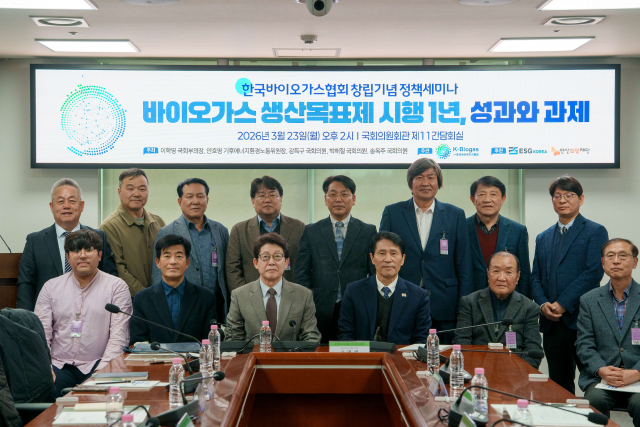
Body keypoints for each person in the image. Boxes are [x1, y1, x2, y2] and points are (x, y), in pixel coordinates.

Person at [379, 158, 472, 343]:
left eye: (431, 177)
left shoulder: (455, 215)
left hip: (444, 302)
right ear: (411, 182)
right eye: (419, 177)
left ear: (438, 182)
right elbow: (382, 256)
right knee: (402, 353)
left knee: (443, 354)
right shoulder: (393, 212)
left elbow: (464, 263)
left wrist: (463, 308)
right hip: (402, 298)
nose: (425, 182)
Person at [531, 175, 608, 394]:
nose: (562, 200)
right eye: (557, 196)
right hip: (552, 322)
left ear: (581, 199)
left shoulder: (595, 231)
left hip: (583, 319)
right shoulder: (543, 237)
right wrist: (543, 304)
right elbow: (535, 276)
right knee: (559, 384)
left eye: (569, 195)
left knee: (594, 383)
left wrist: (563, 303)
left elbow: (593, 272)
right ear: (552, 200)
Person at [34, 229, 131, 399]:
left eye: (89, 249)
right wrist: (46, 367)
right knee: (46, 396)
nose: (83, 255)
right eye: (76, 250)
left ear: (100, 255)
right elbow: (41, 333)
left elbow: (119, 336)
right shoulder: (51, 287)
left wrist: (102, 371)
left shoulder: (117, 287)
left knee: (99, 401)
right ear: (67, 256)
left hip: (98, 363)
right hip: (58, 365)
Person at [296, 175, 377, 341]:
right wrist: (307, 303)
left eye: (344, 194)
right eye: (332, 194)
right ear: (325, 199)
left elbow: (374, 272)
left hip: (357, 305)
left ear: (353, 199)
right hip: (320, 307)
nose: (338, 199)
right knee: (321, 353)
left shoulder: (368, 231)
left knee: (355, 352)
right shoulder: (311, 231)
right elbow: (302, 273)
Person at [17, 178, 118, 311]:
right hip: (48, 314)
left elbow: (111, 278)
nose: (66, 206)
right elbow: (26, 284)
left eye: (72, 201)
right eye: (60, 201)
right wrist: (27, 320)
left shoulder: (99, 237)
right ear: (51, 207)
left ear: (81, 206)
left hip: (93, 313)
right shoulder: (35, 241)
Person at [577, 238, 640, 424]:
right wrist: (602, 370)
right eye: (610, 256)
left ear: (635, 262)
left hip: (638, 377)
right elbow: (584, 344)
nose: (616, 261)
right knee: (593, 401)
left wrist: (637, 372)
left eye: (623, 256)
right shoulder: (589, 300)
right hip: (603, 379)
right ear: (603, 263)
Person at [153, 178, 229, 320]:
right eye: (189, 197)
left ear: (207, 200)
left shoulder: (220, 230)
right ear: (179, 201)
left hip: (216, 303)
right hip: (181, 302)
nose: (195, 201)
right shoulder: (167, 231)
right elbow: (158, 274)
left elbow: (226, 270)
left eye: (200, 196)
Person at [225, 233, 321, 344]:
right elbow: (233, 340)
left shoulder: (303, 295)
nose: (271, 262)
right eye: (265, 257)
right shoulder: (239, 296)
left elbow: (311, 337)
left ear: (286, 262)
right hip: (253, 355)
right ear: (256, 263)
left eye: (277, 256)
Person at [338, 232, 431, 345]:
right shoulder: (353, 291)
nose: (388, 259)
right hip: (364, 355)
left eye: (393, 253)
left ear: (402, 259)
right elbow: (345, 335)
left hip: (401, 355)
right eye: (382, 253)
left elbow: (422, 340)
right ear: (372, 258)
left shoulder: (418, 296)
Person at [453, 252, 542, 368]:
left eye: (508, 272)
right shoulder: (470, 302)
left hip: (514, 372)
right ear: (488, 274)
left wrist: (518, 374)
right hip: (477, 370)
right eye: (496, 271)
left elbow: (533, 349)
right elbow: (462, 342)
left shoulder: (529, 308)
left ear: (517, 277)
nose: (501, 278)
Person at [129, 235, 217, 345]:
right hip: (155, 356)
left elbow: (209, 339)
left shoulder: (205, 297)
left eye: (179, 256)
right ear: (158, 262)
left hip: (194, 356)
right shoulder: (142, 298)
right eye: (167, 256)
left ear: (187, 262)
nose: (173, 261)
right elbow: (138, 341)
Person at [226, 176, 305, 292]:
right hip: (251, 297)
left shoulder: (299, 227)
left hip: (290, 296)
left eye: (272, 195)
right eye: (261, 195)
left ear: (281, 199)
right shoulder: (239, 230)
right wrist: (245, 296)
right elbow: (232, 269)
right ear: (253, 201)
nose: (267, 200)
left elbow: (305, 267)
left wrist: (298, 294)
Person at [100, 168, 165, 297]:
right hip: (129, 299)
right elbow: (118, 269)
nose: (136, 193)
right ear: (119, 192)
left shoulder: (158, 222)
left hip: (160, 297)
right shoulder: (110, 226)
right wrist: (146, 296)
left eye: (142, 189)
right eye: (130, 189)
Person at [467, 176, 531, 297]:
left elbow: (524, 275)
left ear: (503, 199)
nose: (487, 200)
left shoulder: (518, 231)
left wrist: (525, 304)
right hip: (471, 299)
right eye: (482, 194)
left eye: (493, 194)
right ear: (472, 199)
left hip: (508, 299)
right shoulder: (461, 228)